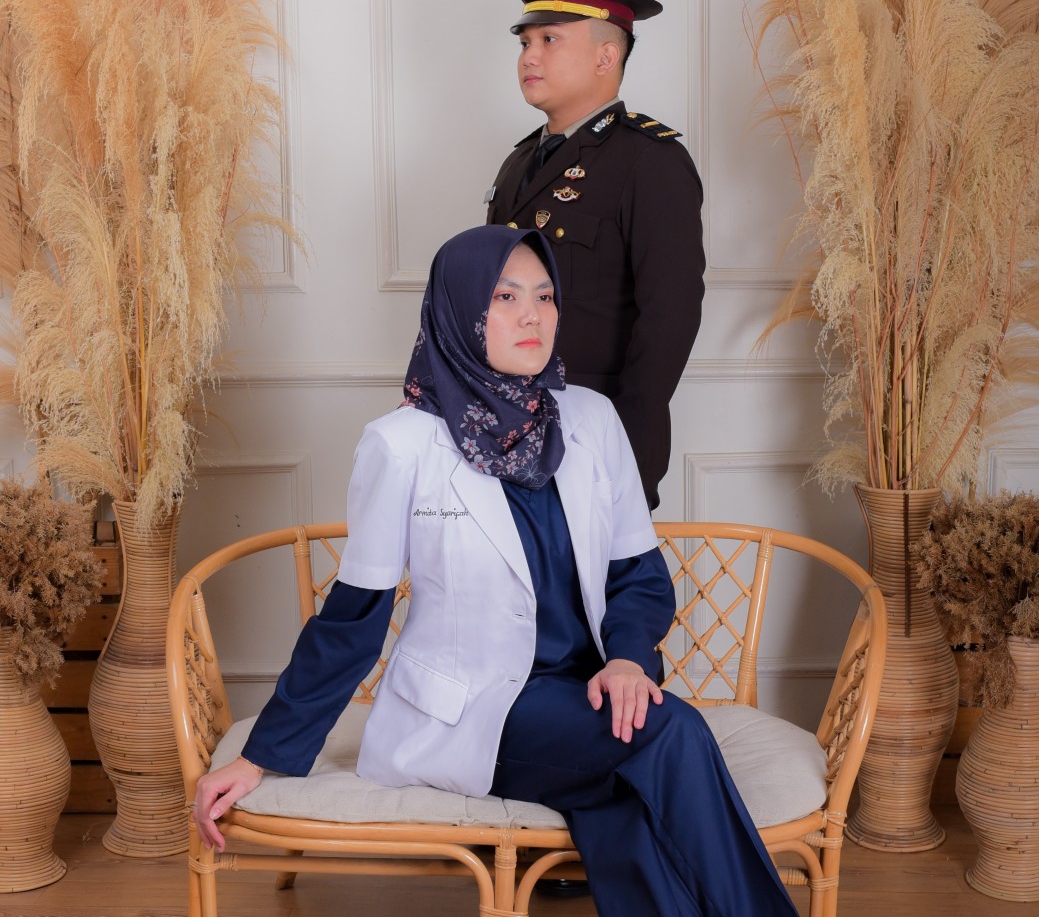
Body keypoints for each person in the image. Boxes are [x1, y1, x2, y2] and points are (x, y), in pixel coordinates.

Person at [192, 225, 797, 917]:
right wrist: (260, 756)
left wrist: (629, 660)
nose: (532, 315)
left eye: (544, 295)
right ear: (460, 311)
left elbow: (637, 573)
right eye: (505, 298)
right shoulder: (400, 445)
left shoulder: (593, 420)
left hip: (590, 692)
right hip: (475, 713)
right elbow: (353, 619)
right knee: (671, 733)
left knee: (627, 801)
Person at [485, 0, 706, 511]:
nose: (530, 56)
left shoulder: (650, 161)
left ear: (607, 56)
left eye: (549, 39)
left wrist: (621, 450)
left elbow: (669, 322)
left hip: (596, 447)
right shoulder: (518, 163)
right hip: (506, 440)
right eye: (524, 42)